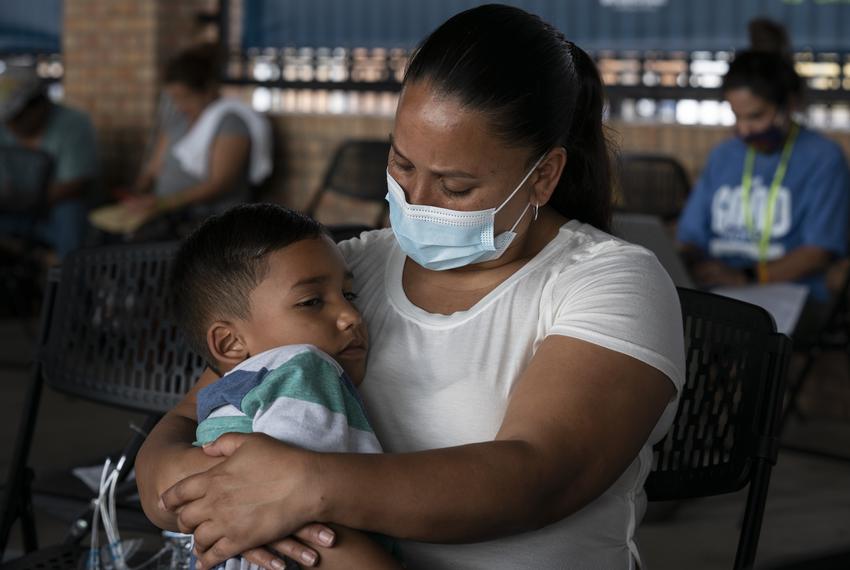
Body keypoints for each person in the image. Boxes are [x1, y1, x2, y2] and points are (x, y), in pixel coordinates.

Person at [137, 5, 686, 569]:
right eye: (401, 165)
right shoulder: (343, 275)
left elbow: (539, 476)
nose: (417, 199)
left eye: (454, 185)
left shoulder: (610, 283)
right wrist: (196, 489)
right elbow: (190, 419)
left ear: (543, 175)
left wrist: (302, 488)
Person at [168, 203, 400, 569]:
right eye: (311, 302)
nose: (351, 316)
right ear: (229, 343)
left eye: (349, 295)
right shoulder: (304, 369)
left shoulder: (228, 394)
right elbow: (307, 516)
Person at [677, 19, 850, 305]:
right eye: (737, 117)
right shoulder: (724, 155)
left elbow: (818, 252)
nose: (744, 130)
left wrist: (746, 277)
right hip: (718, 290)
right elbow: (690, 236)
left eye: (756, 116)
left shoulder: (823, 158)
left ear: (789, 105)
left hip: (788, 292)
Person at [120, 43, 272, 229]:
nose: (179, 105)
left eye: (185, 97)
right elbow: (153, 168)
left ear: (207, 91)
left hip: (207, 221)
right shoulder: (178, 123)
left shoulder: (229, 122)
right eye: (174, 98)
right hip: (164, 215)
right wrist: (137, 192)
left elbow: (220, 183)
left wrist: (163, 204)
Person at [0, 66, 98, 257]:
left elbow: (75, 184)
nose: (11, 125)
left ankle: (71, 280)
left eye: (17, 117)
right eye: (7, 119)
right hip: (10, 212)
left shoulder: (73, 125)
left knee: (70, 212)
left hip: (53, 215)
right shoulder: (4, 128)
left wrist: (23, 201)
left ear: (40, 105)